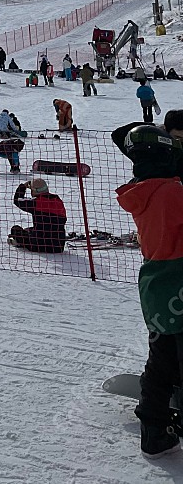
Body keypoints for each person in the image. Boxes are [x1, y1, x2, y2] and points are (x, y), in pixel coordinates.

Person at [115, 125, 183, 457]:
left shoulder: (142, 189)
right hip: (179, 281)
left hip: (156, 285)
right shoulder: (174, 191)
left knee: (162, 357)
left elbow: (121, 136)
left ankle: (154, 427)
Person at [9, 178, 66, 253]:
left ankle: (18, 241)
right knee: (32, 229)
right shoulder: (58, 200)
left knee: (16, 229)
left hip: (38, 245)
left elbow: (17, 200)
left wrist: (23, 187)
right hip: (58, 246)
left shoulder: (35, 202)